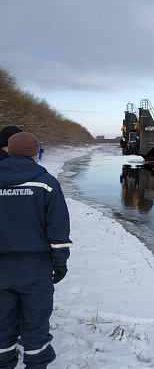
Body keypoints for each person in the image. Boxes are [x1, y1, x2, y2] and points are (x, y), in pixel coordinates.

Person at [0, 132, 72, 368]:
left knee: (2, 323)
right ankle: (36, 363)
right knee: (35, 322)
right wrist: (60, 261)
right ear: (35, 152)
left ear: (8, 150)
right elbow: (58, 228)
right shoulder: (46, 183)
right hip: (35, 269)